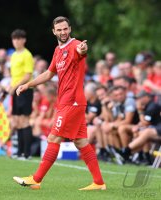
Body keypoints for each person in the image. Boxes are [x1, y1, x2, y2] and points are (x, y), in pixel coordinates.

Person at [13, 16, 106, 191]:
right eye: (59, 30)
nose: (63, 32)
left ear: (69, 29)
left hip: (73, 102)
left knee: (53, 138)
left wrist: (83, 49)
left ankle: (36, 179)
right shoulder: (57, 50)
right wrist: (27, 84)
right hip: (66, 102)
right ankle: (99, 183)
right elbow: (48, 74)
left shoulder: (75, 45)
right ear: (54, 31)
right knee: (81, 142)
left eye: (65, 29)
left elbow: (82, 51)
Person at [10, 29, 34, 159]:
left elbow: (27, 75)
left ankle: (27, 153)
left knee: (25, 120)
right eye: (14, 39)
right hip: (15, 90)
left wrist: (14, 87)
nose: (16, 41)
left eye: (19, 38)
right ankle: (19, 152)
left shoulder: (27, 55)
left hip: (24, 90)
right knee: (17, 120)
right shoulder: (13, 55)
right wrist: (10, 87)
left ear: (24, 40)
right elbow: (14, 75)